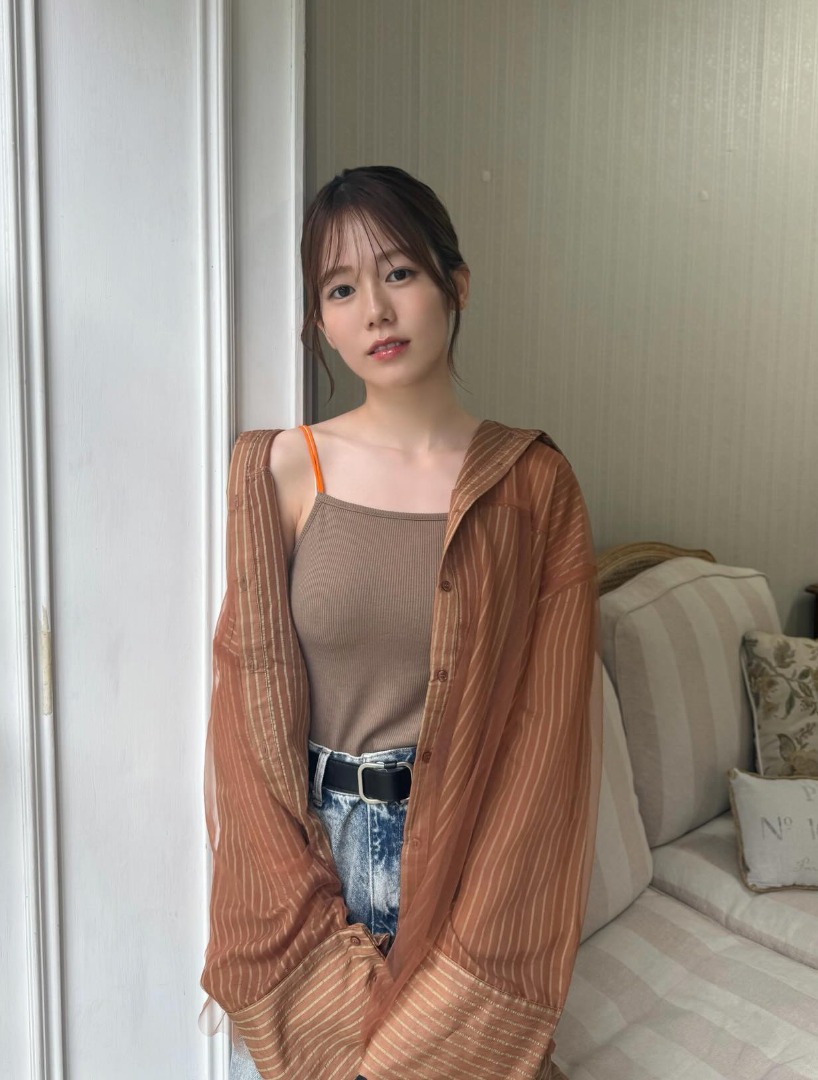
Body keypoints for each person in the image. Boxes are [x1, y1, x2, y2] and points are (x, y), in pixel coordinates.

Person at [199, 165, 604, 1080]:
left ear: (455, 285)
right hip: (315, 865)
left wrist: (480, 926)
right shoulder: (279, 469)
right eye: (340, 289)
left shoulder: (533, 486)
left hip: (470, 857)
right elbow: (248, 707)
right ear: (319, 322)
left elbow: (548, 734)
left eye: (399, 273)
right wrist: (299, 903)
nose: (375, 311)